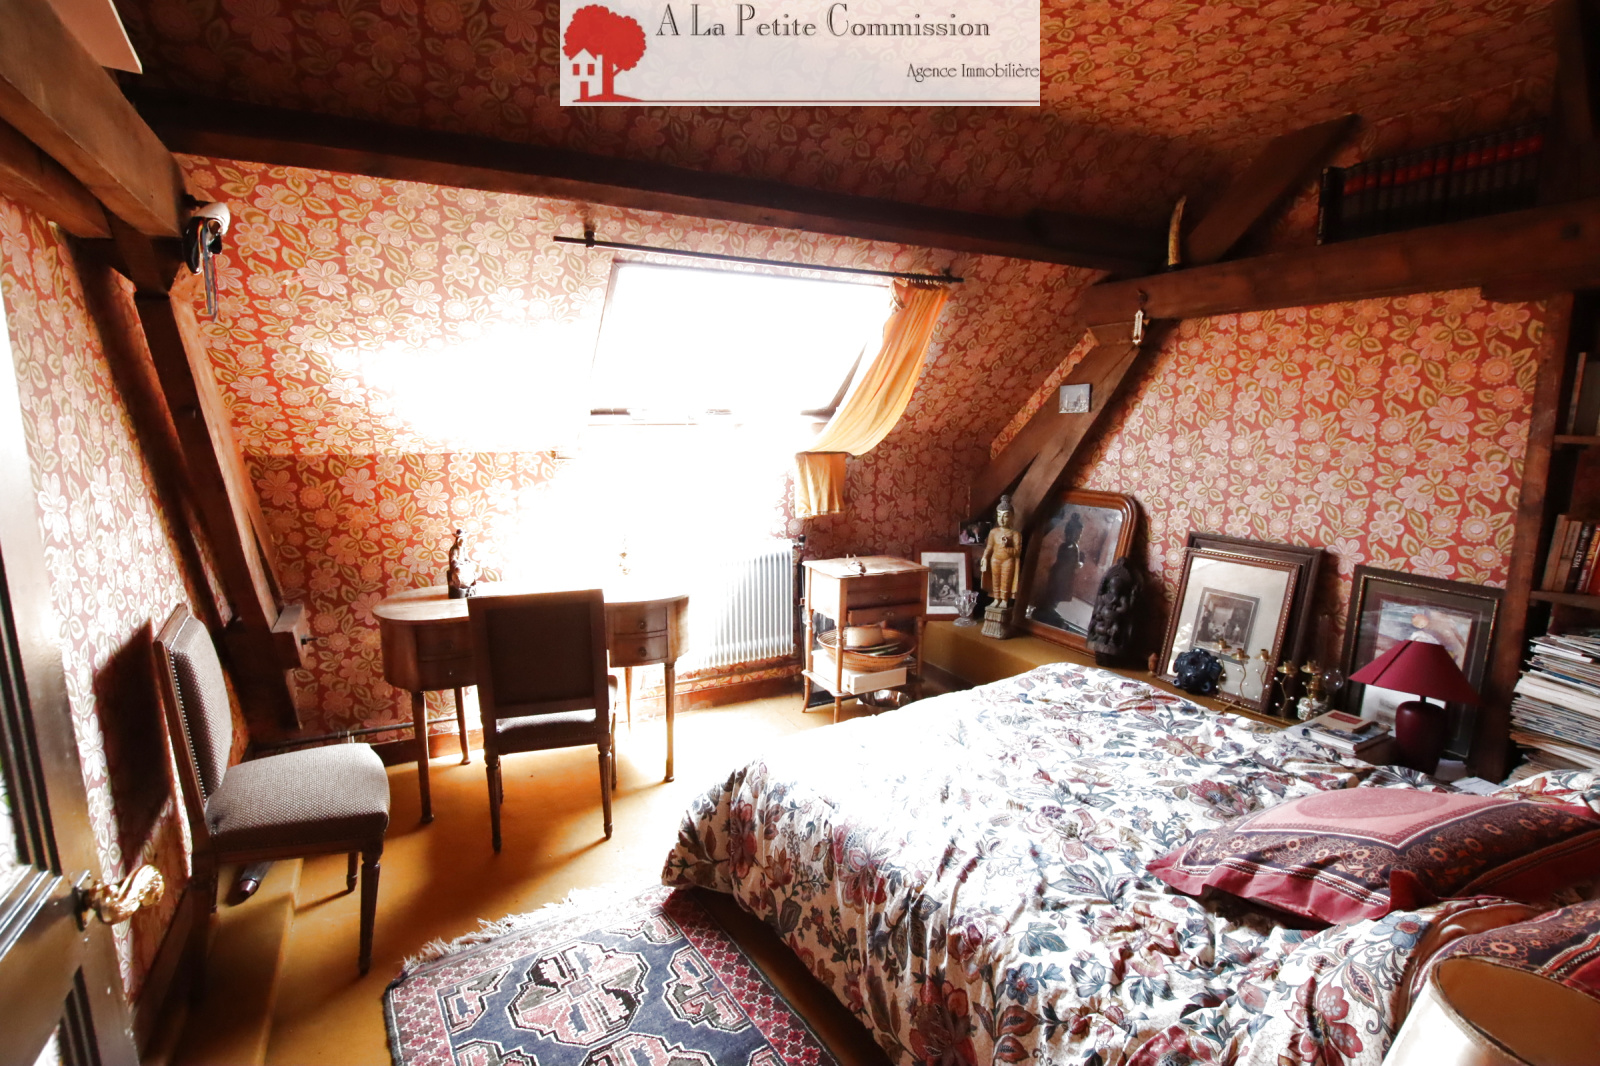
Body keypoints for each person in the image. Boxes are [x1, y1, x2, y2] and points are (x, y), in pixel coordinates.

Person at [980, 495, 1023, 606]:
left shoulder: (1015, 534)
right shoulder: (993, 532)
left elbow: (1017, 552)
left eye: (1005, 516)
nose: (1002, 519)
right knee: (995, 580)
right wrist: (985, 557)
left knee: (1006, 580)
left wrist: (1006, 547)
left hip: (1008, 561)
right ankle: (996, 599)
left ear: (1012, 517)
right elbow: (989, 547)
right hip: (995, 559)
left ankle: (1004, 600)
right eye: (999, 515)